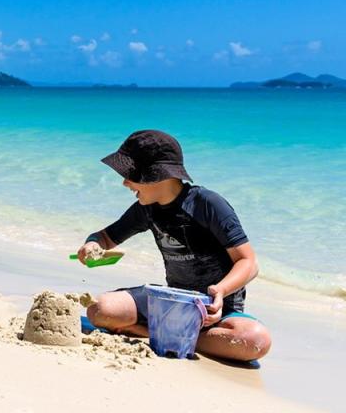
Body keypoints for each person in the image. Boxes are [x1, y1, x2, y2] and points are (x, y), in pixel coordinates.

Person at [76, 130, 271, 363]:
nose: (125, 182)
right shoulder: (145, 208)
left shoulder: (207, 204)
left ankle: (156, 333)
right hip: (169, 303)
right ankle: (173, 333)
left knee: (255, 341)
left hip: (215, 310)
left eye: (131, 174)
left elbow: (249, 263)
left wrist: (220, 291)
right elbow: (105, 237)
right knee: (99, 311)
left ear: (158, 175)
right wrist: (92, 245)